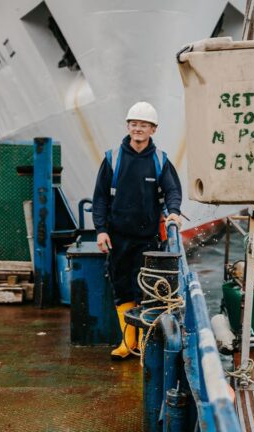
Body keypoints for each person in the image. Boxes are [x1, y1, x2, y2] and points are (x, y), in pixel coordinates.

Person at [92, 101, 183, 360]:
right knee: (121, 287)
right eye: (134, 124)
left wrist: (173, 211)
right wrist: (100, 230)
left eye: (144, 125)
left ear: (153, 129)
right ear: (128, 126)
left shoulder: (159, 160)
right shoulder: (113, 158)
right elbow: (99, 198)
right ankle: (126, 341)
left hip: (148, 239)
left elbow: (172, 190)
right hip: (118, 237)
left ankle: (143, 343)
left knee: (146, 289)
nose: (138, 129)